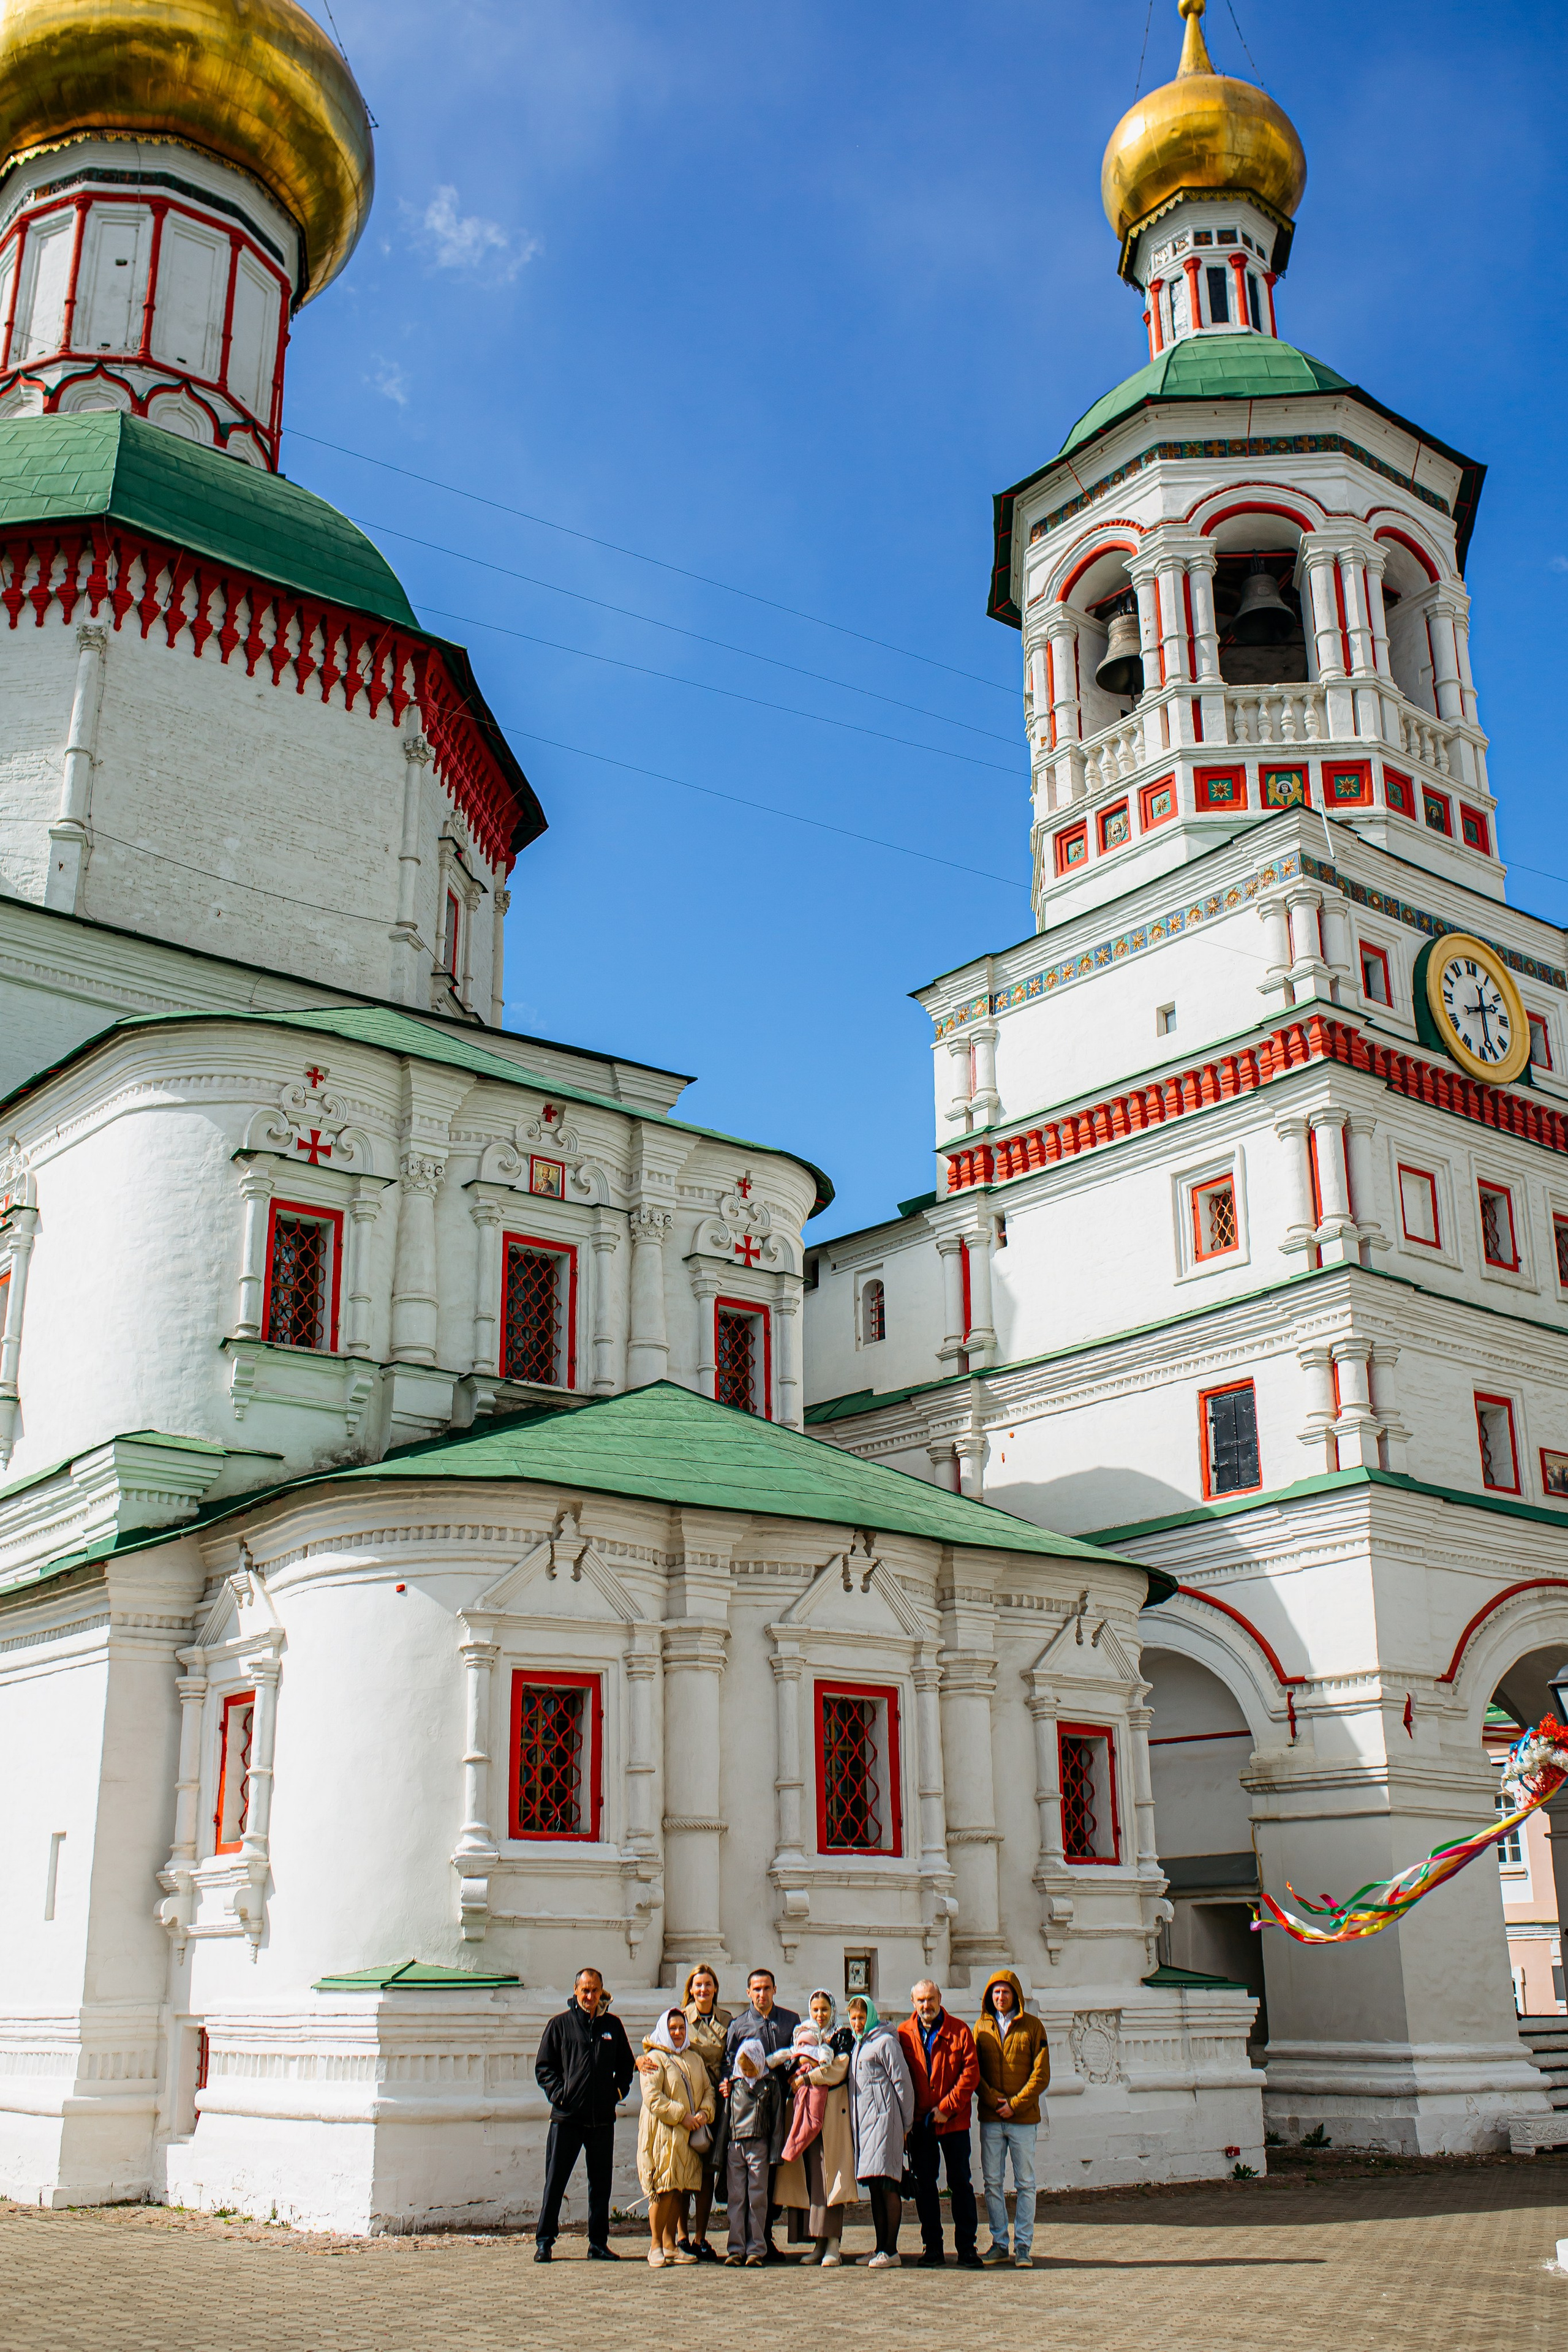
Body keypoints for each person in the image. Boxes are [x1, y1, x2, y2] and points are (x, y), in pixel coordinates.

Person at [533, 1966, 635, 2263]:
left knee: (601, 2184)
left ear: (602, 1992)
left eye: (595, 1991)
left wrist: (617, 2093)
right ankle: (545, 2241)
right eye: (585, 1991)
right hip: (567, 2119)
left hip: (602, 2119)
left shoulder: (612, 2026)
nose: (590, 1996)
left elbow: (626, 2066)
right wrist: (559, 2094)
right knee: (555, 2181)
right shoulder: (560, 2025)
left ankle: (598, 2243)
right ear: (576, 1992)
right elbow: (544, 2067)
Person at [899, 1978, 981, 2269]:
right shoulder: (904, 2034)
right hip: (921, 2123)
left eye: (931, 1999)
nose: (926, 2005)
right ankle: (932, 2246)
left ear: (940, 1998)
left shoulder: (959, 2031)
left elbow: (970, 2074)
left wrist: (947, 2108)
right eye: (921, 2000)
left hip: (954, 2122)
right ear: (913, 2002)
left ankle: (967, 2248)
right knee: (925, 2185)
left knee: (960, 2184)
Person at [719, 1968, 799, 2263]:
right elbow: (728, 2063)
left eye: (767, 1988)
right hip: (745, 2112)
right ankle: (747, 2243)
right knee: (746, 2187)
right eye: (756, 1989)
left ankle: (764, 2239)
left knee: (772, 2179)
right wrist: (728, 2082)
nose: (762, 1994)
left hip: (779, 2108)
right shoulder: (740, 2025)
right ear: (748, 1993)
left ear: (775, 1990)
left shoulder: (789, 2021)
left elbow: (799, 2055)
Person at [974, 1968, 1050, 2269]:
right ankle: (999, 2242)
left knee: (1025, 2183)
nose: (1001, 1997)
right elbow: (974, 2071)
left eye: (1005, 1992)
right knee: (992, 2182)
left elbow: (1041, 2074)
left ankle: (1023, 2246)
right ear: (989, 1997)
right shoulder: (980, 2028)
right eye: (996, 1992)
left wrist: (1015, 2104)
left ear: (1015, 1995)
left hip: (1022, 2119)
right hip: (992, 2118)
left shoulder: (1033, 2027)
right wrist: (994, 2100)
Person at [775, 1990, 855, 2264]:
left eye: (824, 2010)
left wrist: (809, 2077)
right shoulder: (803, 2035)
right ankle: (818, 2243)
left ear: (833, 2010)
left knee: (830, 2177)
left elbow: (839, 2070)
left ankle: (833, 2242)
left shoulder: (842, 2036)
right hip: (804, 2115)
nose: (820, 2015)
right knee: (811, 2178)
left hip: (832, 2116)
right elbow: (789, 2064)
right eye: (816, 2010)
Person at [636, 2007, 715, 2268]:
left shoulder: (693, 2058)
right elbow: (653, 2098)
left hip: (687, 2136)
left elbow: (707, 2089)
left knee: (679, 2189)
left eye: (682, 2028)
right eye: (673, 2028)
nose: (678, 2033)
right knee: (662, 2190)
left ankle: (671, 2246)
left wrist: (704, 2114)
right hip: (663, 2135)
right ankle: (655, 2246)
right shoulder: (654, 2059)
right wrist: (682, 2116)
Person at [845, 1994, 914, 2269]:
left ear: (871, 2016)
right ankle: (879, 2247)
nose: (858, 2023)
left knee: (887, 2185)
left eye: (862, 2018)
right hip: (866, 2126)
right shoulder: (859, 2045)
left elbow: (902, 2084)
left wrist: (906, 2126)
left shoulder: (885, 2043)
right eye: (854, 2018)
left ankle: (891, 2249)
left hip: (886, 2123)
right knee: (875, 2186)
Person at [717, 2035, 790, 2263]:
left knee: (757, 2198)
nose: (748, 2073)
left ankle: (757, 2249)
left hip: (759, 2144)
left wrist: (776, 2152)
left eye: (751, 2069)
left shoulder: (770, 2083)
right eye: (744, 2068)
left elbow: (778, 2118)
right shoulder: (735, 2083)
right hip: (736, 2145)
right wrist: (720, 2151)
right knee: (736, 2197)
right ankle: (736, 2249)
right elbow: (726, 2118)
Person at [676, 1964, 730, 2260]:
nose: (703, 1990)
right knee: (687, 2170)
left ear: (715, 1988)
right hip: (689, 2101)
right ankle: (682, 2235)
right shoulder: (681, 2018)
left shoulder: (726, 2020)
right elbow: (663, 2047)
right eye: (698, 1985)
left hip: (716, 2104)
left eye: (708, 1984)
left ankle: (701, 2237)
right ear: (691, 1989)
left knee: (708, 2170)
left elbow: (732, 2056)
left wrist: (726, 2079)